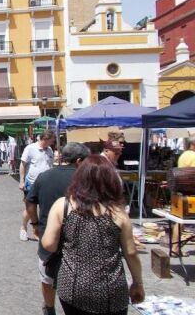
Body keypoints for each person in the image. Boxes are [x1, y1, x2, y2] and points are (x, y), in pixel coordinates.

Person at [42, 155, 145, 314]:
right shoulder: (117, 212)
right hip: (111, 288)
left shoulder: (63, 205)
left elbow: (49, 244)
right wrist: (138, 283)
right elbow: (131, 253)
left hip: (72, 287)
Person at [26, 143, 90, 315]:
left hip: (48, 236)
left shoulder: (44, 177)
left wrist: (35, 224)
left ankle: (49, 308)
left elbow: (30, 203)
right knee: (78, 276)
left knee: (47, 277)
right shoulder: (86, 180)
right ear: (79, 161)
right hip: (78, 238)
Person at [19, 130, 55, 241]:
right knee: (30, 208)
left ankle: (42, 230)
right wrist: (21, 180)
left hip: (47, 184)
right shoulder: (30, 148)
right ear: (46, 139)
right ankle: (23, 228)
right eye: (52, 140)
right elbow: (23, 164)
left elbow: (51, 165)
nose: (53, 143)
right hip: (32, 183)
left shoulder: (49, 150)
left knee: (46, 207)